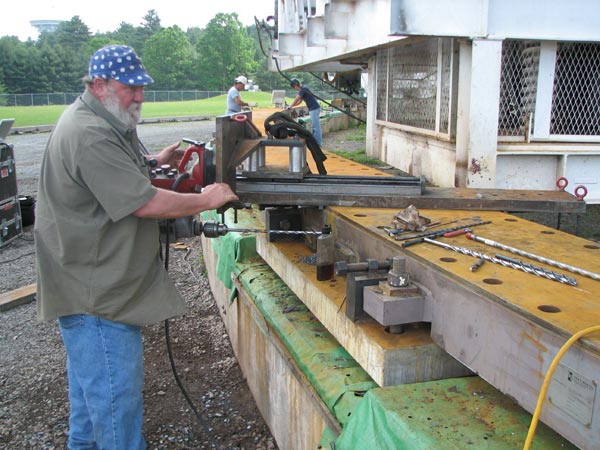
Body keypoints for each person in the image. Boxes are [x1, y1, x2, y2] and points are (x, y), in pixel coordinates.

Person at [34, 44, 238, 450]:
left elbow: (116, 174)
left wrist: (152, 160)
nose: (140, 96)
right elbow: (145, 202)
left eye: (141, 87)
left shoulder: (102, 120)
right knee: (116, 414)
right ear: (100, 85)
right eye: (131, 88)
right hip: (96, 299)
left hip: (86, 286)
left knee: (89, 416)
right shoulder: (89, 134)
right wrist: (207, 199)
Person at [288, 78, 322, 145]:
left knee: (316, 126)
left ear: (296, 84)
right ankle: (316, 141)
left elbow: (297, 98)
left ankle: (318, 143)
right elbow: (299, 102)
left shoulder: (303, 88)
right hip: (313, 108)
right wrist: (291, 106)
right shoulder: (303, 89)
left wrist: (290, 106)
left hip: (314, 108)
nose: (295, 89)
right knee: (315, 126)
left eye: (294, 87)